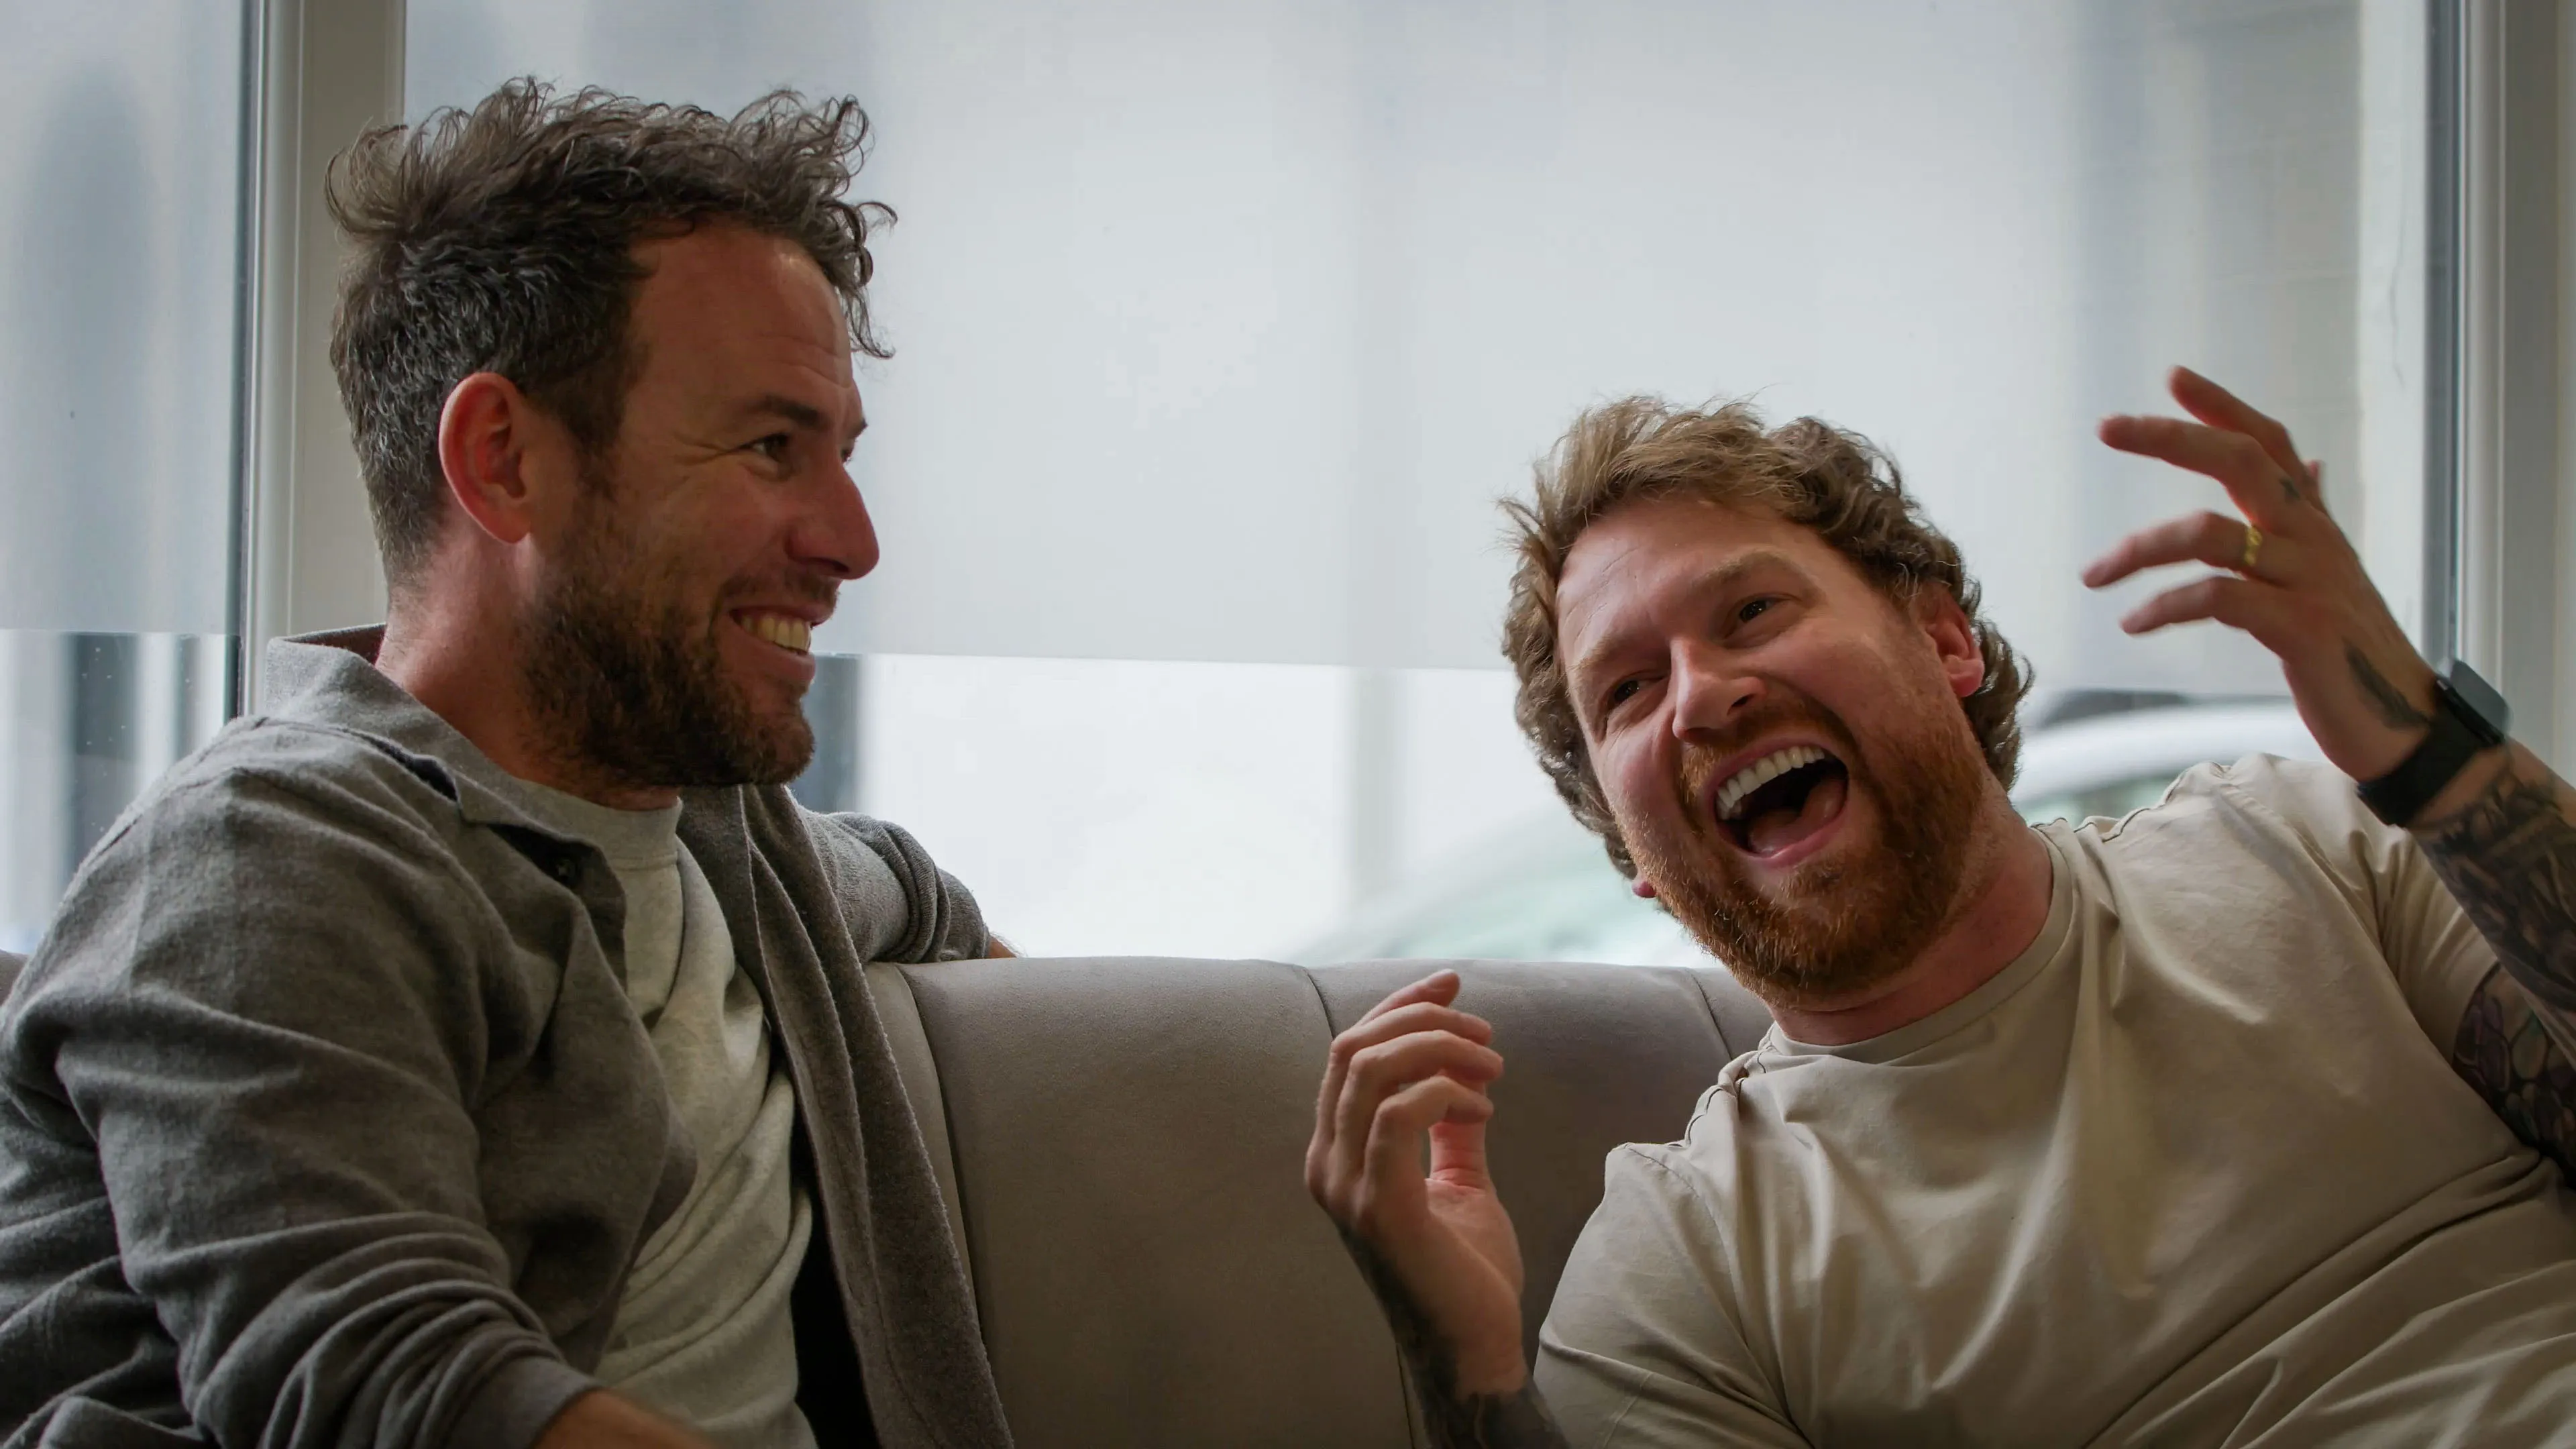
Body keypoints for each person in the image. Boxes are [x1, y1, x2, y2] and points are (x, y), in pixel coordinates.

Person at [0, 84, 1016, 1449]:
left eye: (841, 454)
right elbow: (389, 1392)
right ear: (502, 461)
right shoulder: (271, 859)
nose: (852, 542)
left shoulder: (731, 837)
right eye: (773, 447)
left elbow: (898, 883)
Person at [1308, 368, 2576, 1445]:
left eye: (1752, 610)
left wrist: (2432, 755)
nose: (1700, 696)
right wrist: (1467, 1384)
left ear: (1944, 644)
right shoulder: (1692, 1263)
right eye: (1630, 692)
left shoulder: (2298, 843)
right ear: (1631, 850)